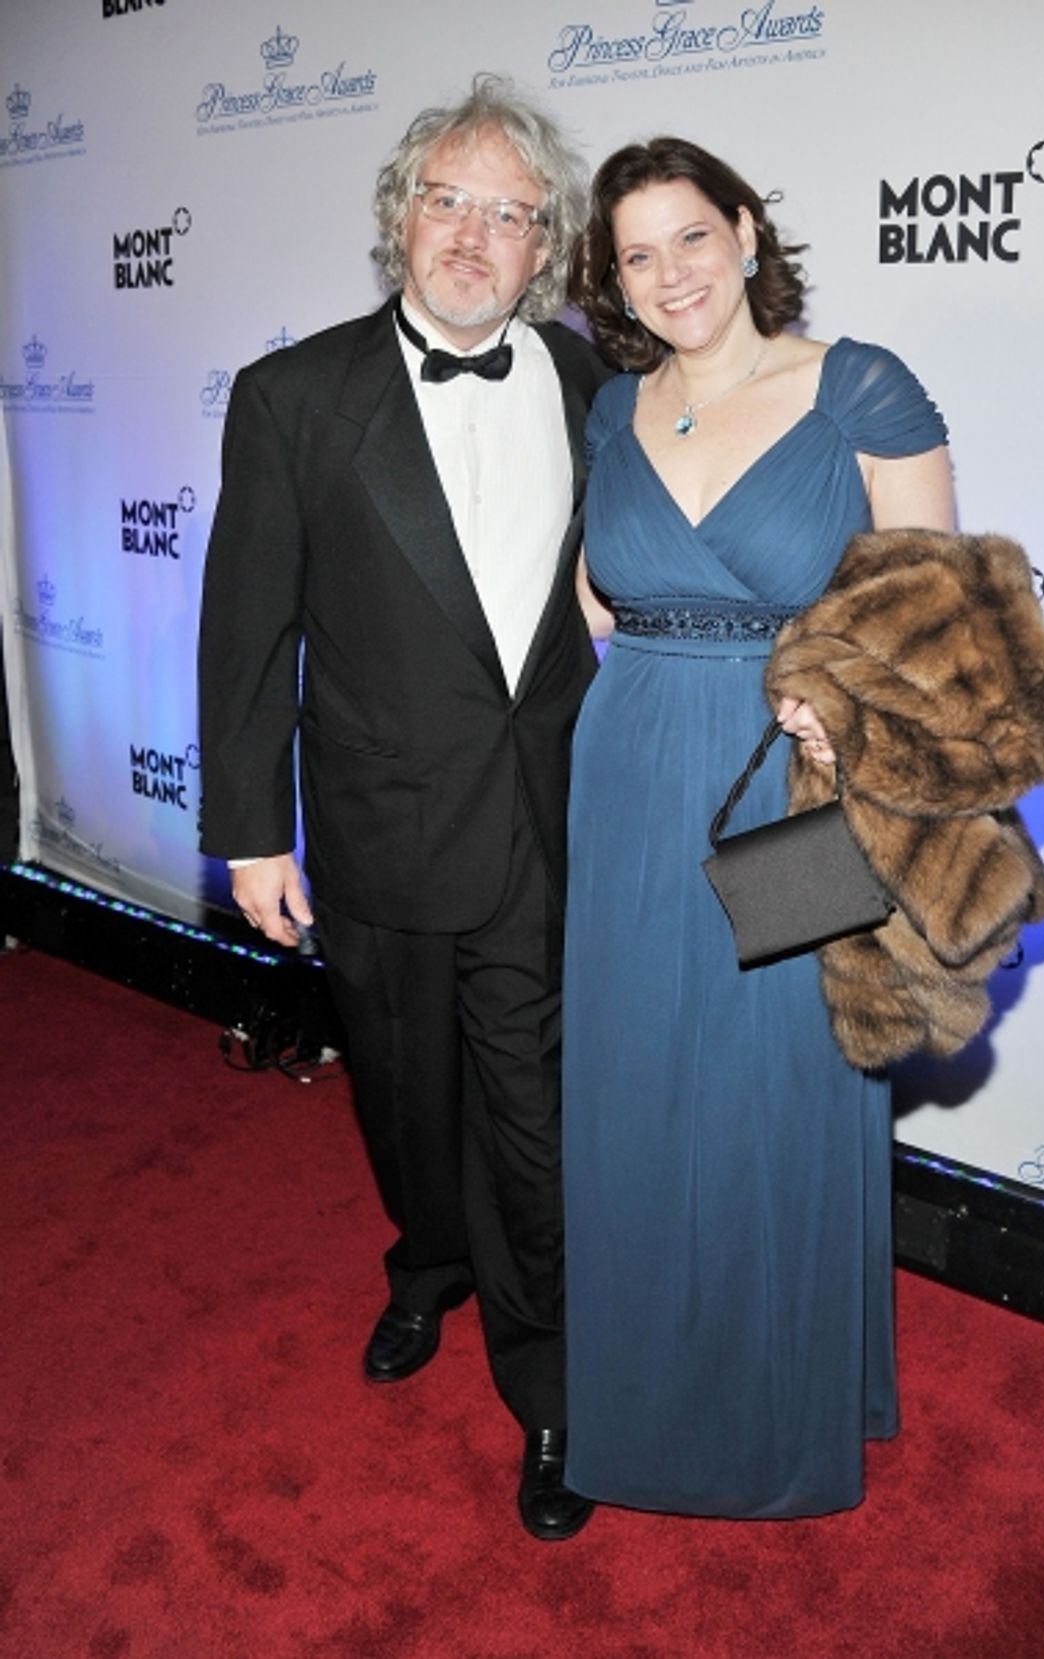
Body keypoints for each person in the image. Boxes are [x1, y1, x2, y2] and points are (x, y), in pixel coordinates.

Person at [197, 75, 610, 1542]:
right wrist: (251, 833)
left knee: (533, 1114)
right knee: (399, 1088)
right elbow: (245, 632)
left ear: (546, 244)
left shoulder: (585, 383)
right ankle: (423, 1265)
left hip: (540, 828)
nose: (475, 236)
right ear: (401, 219)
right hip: (373, 826)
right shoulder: (296, 398)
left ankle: (553, 1390)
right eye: (451, 200)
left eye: (512, 215)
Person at [562, 137, 955, 1518]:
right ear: (612, 281)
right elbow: (598, 602)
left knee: (776, 1093)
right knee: (634, 1093)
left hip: (791, 785)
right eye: (636, 255)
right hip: (627, 779)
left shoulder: (857, 387)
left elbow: (932, 609)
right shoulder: (613, 409)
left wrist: (844, 698)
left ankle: (781, 1409)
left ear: (743, 229)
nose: (671, 273)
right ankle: (639, 1402)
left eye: (691, 235)